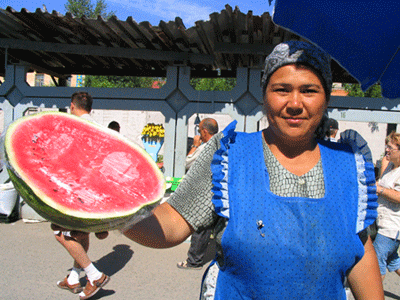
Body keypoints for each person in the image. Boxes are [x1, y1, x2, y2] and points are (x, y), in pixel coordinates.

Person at [122, 41, 383, 299]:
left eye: (309, 90)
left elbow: (360, 250)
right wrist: (114, 215)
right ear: (264, 96)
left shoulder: (349, 166)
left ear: (326, 98)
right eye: (281, 89)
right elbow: (171, 224)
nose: (294, 103)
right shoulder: (228, 155)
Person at [53, 92, 110, 300]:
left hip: (75, 192)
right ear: (91, 108)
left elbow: (66, 160)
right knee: (81, 235)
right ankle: (74, 279)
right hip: (93, 193)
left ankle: (95, 276)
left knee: (60, 233)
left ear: (71, 106)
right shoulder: (98, 127)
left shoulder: (74, 127)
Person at [177, 118, 218, 270]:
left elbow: (187, 162)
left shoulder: (205, 147)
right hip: (221, 191)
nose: (199, 133)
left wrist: (195, 144)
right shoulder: (223, 143)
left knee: (201, 228)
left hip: (205, 193)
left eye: (200, 131)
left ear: (204, 132)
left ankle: (194, 261)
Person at [373, 131, 400, 281]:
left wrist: (379, 189)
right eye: (386, 146)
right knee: (393, 261)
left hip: (392, 228)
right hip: (384, 223)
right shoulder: (391, 166)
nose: (387, 150)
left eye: (391, 147)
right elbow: (382, 183)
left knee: (377, 263)